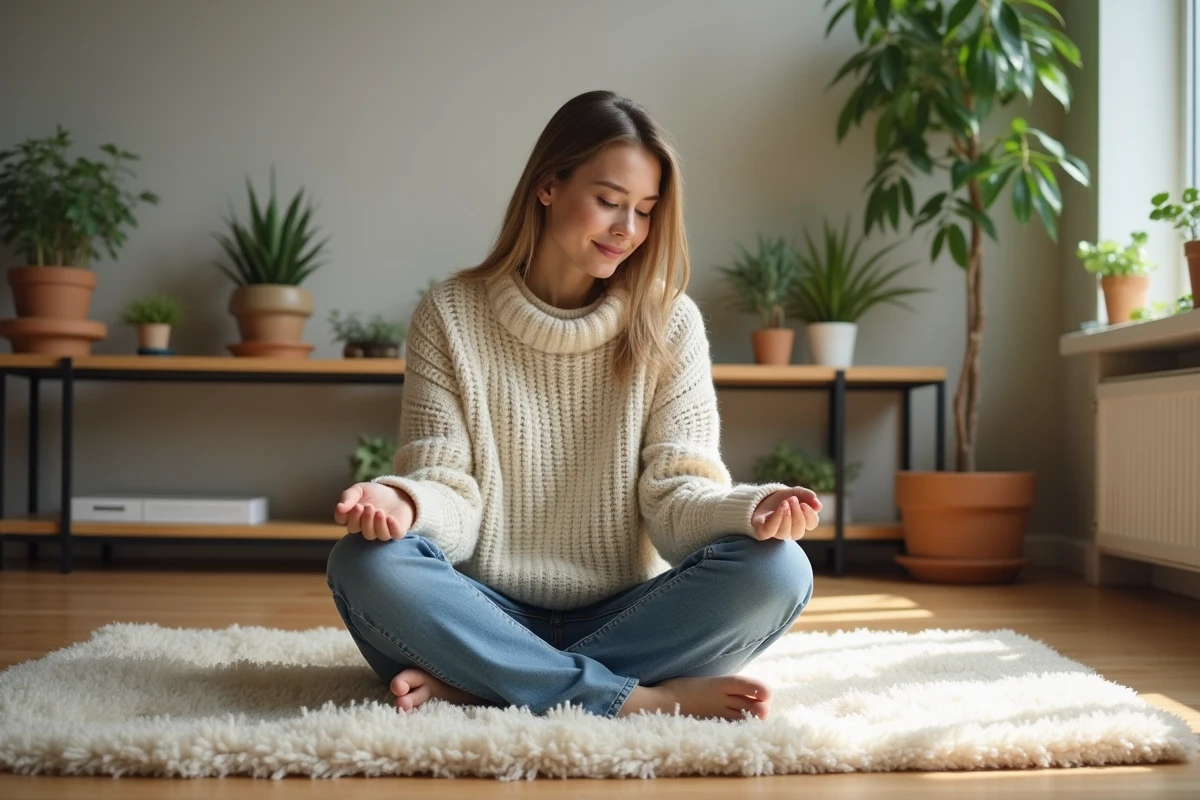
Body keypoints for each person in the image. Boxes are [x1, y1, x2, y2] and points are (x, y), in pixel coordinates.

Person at [326, 89, 819, 722]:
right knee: (365, 562)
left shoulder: (671, 323)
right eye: (610, 202)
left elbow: (675, 500)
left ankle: (488, 683)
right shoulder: (449, 314)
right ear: (548, 185)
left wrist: (752, 510)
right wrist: (405, 502)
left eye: (644, 211)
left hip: (626, 612)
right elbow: (449, 488)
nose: (627, 230)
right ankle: (637, 699)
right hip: (479, 607)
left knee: (780, 572)